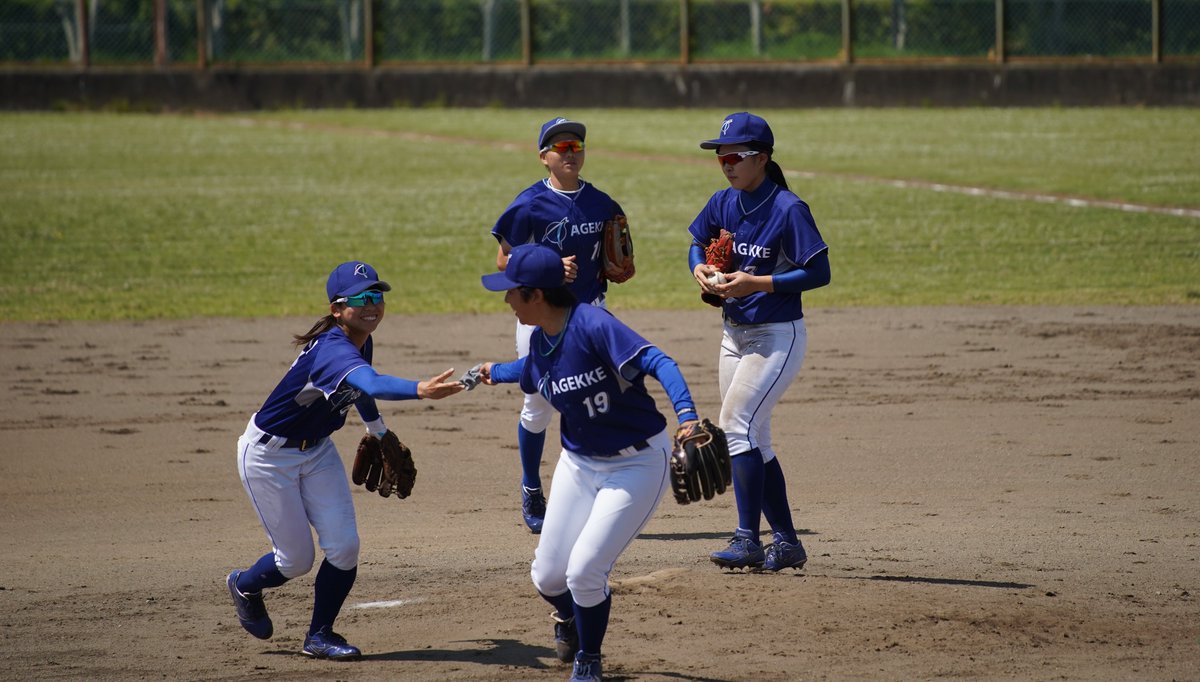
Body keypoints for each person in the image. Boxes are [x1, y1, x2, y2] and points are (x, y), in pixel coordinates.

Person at [475, 243, 702, 682]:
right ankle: (573, 620)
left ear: (536, 295)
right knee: (547, 576)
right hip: (579, 465)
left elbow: (659, 360)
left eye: (511, 292)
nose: (506, 300)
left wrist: (688, 417)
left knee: (584, 572)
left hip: (636, 464)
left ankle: (589, 660)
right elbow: (525, 370)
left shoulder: (594, 324)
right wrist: (482, 374)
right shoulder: (542, 341)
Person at [225, 261, 464, 659]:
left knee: (344, 547)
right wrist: (420, 389)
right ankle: (244, 584)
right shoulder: (333, 349)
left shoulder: (359, 338)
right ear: (337, 309)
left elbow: (359, 389)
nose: (373, 305)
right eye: (361, 299)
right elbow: (370, 382)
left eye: (377, 296)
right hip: (269, 458)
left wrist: (379, 431)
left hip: (317, 451)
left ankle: (319, 635)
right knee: (295, 560)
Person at [687, 112, 831, 572]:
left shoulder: (788, 208)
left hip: (777, 336)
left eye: (735, 156)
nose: (726, 163)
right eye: (721, 156)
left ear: (763, 158)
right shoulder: (724, 202)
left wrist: (759, 283)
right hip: (733, 334)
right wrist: (700, 268)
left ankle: (748, 538)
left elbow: (819, 272)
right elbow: (696, 240)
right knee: (754, 438)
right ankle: (786, 541)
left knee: (735, 425)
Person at [489, 116, 632, 535]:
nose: (571, 154)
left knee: (594, 397)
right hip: (540, 314)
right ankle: (532, 486)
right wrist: (547, 266)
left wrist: (621, 267)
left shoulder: (602, 203)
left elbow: (620, 259)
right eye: (562, 148)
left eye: (577, 147)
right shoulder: (530, 203)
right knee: (540, 405)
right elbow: (503, 260)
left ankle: (592, 488)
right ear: (544, 158)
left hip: (591, 314)